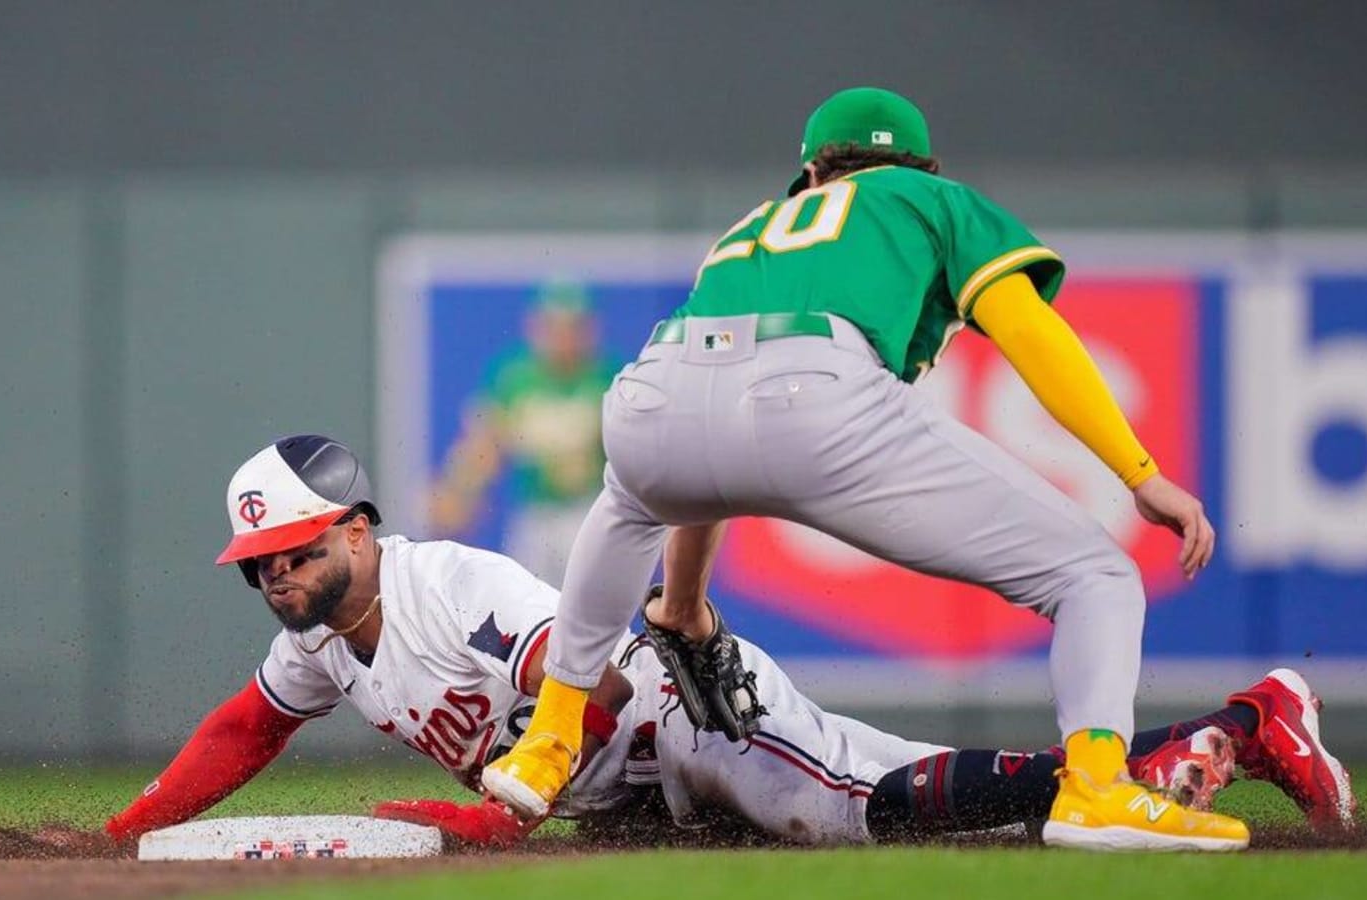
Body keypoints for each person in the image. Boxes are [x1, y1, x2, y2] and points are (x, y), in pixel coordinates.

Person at [485, 86, 1256, 851]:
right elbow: (1027, 326)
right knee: (1097, 575)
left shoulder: (750, 227)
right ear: (922, 164)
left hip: (655, 387)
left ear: (814, 173)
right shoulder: (929, 196)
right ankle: (1095, 787)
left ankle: (549, 741)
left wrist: (684, 602)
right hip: (816, 389)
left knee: (628, 498)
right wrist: (1137, 471)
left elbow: (708, 440)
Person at [86, 436, 1352, 851]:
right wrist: (132, 829)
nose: (279, 580)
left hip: (695, 720)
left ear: (358, 530)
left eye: (298, 551)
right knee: (959, 819)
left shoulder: (442, 585)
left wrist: (497, 812)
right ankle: (1228, 735)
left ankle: (1238, 724)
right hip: (633, 802)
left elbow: (568, 682)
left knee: (885, 808)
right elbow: (245, 726)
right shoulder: (323, 640)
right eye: (261, 566)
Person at [428, 280, 618, 586]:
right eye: (554, 325)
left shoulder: (607, 378)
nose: (563, 336)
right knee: (526, 609)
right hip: (535, 516)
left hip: (590, 512)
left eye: (572, 326)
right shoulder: (516, 380)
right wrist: (458, 490)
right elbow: (484, 444)